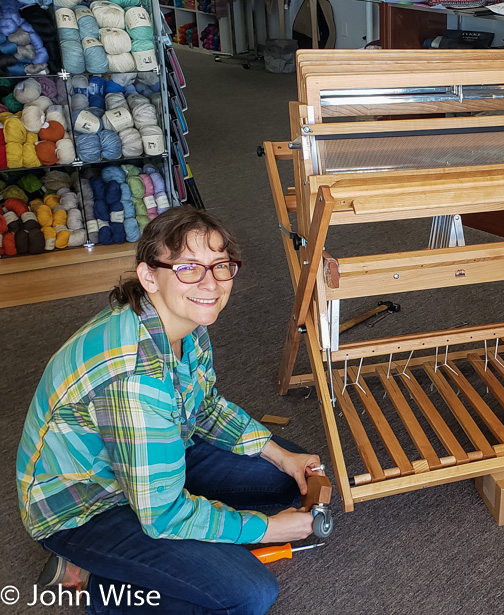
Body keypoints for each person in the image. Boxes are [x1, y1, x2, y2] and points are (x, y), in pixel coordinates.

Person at [16, 207, 323, 614]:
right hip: (85, 506)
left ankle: (168, 528)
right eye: (189, 268)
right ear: (148, 276)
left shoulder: (184, 321)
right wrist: (267, 530)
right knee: (248, 595)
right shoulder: (133, 377)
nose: (211, 283)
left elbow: (207, 406)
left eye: (220, 266)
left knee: (284, 476)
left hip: (157, 450)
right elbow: (162, 516)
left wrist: (282, 456)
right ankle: (90, 583)